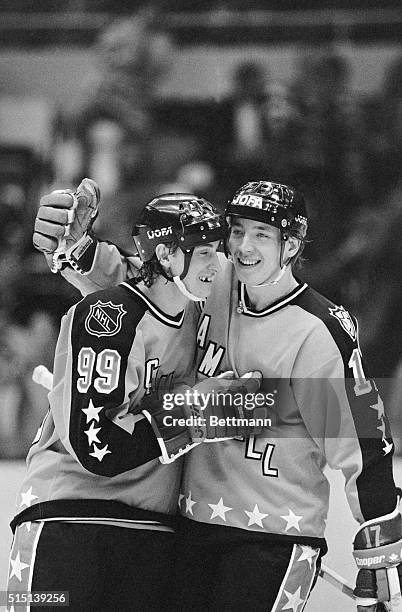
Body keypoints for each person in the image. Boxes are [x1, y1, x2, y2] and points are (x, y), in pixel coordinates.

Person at [32, 180, 401, 611]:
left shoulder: (319, 330)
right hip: (191, 529)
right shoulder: (212, 281)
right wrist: (79, 250)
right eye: (238, 230)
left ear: (292, 245)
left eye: (262, 234)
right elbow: (145, 280)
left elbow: (362, 441)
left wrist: (380, 552)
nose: (243, 246)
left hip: (273, 539)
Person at [8, 192, 233, 611]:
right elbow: (100, 447)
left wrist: (81, 251)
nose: (216, 264)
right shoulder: (106, 315)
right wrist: (193, 413)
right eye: (204, 252)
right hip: (66, 521)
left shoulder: (196, 314)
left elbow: (131, 269)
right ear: (166, 254)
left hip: (150, 530)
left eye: (217, 251)